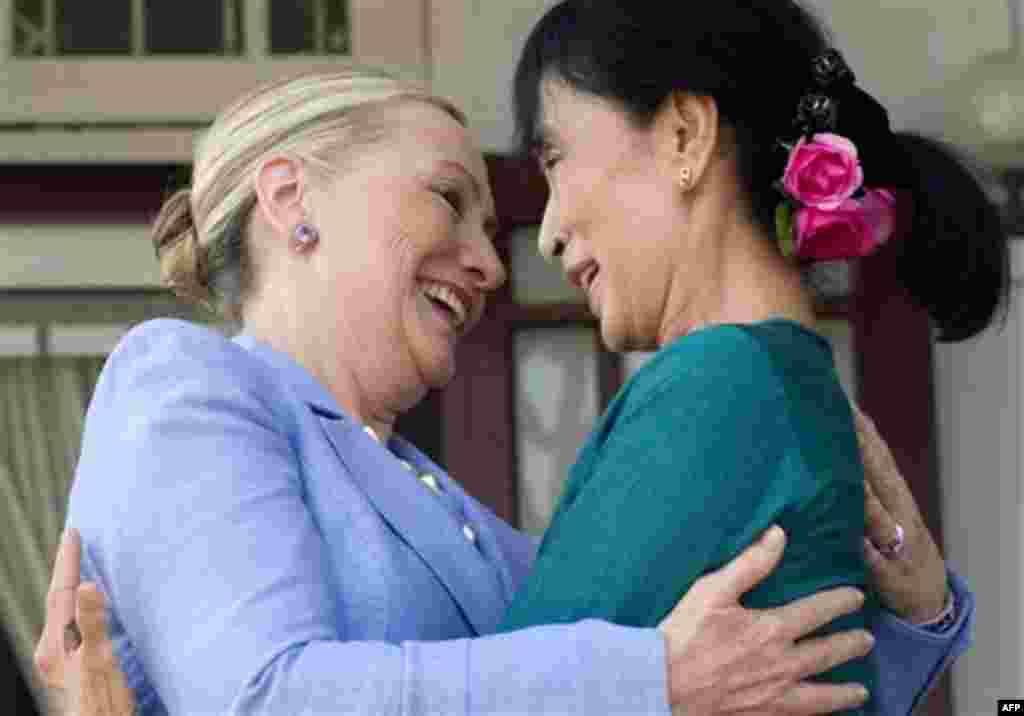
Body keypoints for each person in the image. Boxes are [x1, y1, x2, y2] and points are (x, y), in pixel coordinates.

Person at [31, 65, 968, 716]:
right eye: (448, 199)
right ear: (289, 202)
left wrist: (917, 617)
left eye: (489, 224)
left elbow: (732, 672)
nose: (489, 261)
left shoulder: (453, 517)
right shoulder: (187, 382)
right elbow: (265, 698)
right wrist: (645, 684)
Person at [496, 1, 997, 713]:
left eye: (554, 159)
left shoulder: (721, 384)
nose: (547, 231)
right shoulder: (782, 380)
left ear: (684, 135)